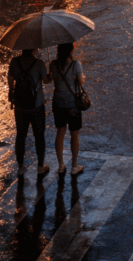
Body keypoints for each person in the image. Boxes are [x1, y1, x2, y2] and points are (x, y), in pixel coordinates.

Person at [7, 48, 50, 179]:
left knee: (20, 135)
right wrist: (51, 74)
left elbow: (10, 78)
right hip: (36, 105)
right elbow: (46, 80)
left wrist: (11, 92)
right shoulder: (40, 63)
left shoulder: (14, 62)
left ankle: (20, 167)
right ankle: (40, 166)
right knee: (39, 136)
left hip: (20, 106)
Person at [49, 42, 86, 177]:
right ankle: (74, 166)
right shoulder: (76, 64)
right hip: (73, 105)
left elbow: (50, 78)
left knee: (60, 133)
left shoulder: (53, 64)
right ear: (71, 49)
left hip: (58, 103)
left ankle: (60, 165)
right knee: (74, 135)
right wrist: (83, 78)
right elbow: (80, 82)